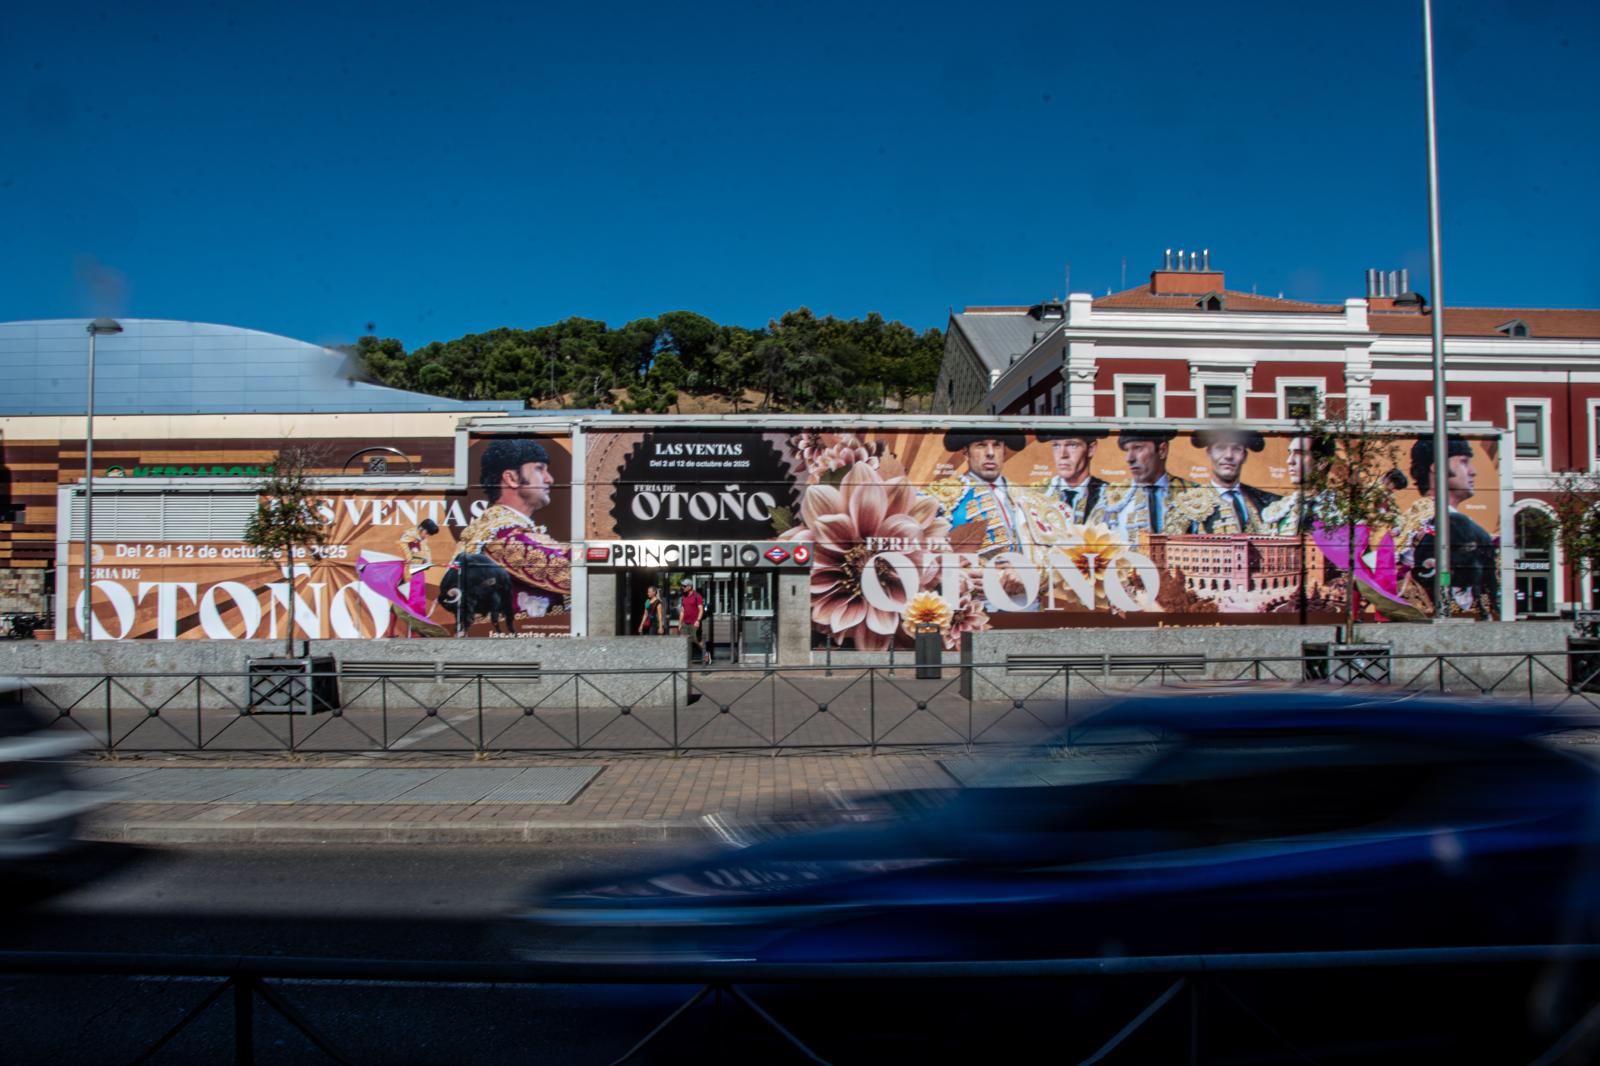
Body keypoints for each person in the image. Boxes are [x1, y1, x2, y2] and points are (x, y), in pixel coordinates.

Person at [453, 438, 570, 621]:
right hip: (516, 643)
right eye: (539, 469)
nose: (550, 479)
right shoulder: (501, 533)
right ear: (511, 478)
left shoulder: (492, 526)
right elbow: (567, 568)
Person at [1397, 436, 1497, 616]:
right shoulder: (1432, 518)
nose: (1473, 471)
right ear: (1437, 467)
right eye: (1464, 462)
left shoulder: (1422, 516)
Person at [932, 430, 1030, 556]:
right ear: (966, 452)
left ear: (1004, 451)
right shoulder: (943, 498)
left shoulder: (1028, 497)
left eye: (996, 445)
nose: (990, 453)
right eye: (981, 445)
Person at [1170, 428, 1282, 534]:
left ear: (1245, 456)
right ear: (1209, 452)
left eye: (1236, 449)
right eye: (1221, 447)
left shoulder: (1266, 502)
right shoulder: (1187, 505)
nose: (1228, 455)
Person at [1092, 429, 1197, 538]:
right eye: (1127, 450)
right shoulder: (1111, 497)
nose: (1129, 458)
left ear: (1162, 451)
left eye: (1138, 448)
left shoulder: (1192, 493)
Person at [1038, 429, 1108, 524]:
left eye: (1072, 445)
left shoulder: (1106, 495)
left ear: (1091, 449)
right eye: (1056, 445)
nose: (1063, 454)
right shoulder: (1039, 495)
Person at [680, 580, 708, 665]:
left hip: (694, 623)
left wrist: (698, 620)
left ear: (690, 587)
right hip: (685, 623)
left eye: (684, 586)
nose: (682, 588)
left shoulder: (697, 596)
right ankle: (685, 661)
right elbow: (682, 611)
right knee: (684, 641)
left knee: (697, 640)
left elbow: (701, 609)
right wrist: (679, 623)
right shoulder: (683, 597)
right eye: (682, 586)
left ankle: (706, 656)